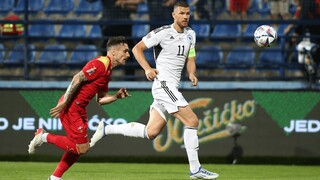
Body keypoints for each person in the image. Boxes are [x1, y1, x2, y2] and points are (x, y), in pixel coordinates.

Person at [90, 2, 219, 179]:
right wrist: (147, 69)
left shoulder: (191, 34)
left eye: (188, 13)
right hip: (163, 85)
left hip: (172, 86)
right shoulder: (163, 32)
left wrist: (191, 73)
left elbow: (191, 58)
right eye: (182, 13)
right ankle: (195, 169)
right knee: (192, 121)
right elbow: (137, 49)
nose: (185, 16)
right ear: (173, 15)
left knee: (151, 132)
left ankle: (106, 129)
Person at [27, 36, 131, 180]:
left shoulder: (107, 71)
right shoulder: (99, 64)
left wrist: (115, 97)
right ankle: (43, 136)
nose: (128, 55)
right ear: (113, 52)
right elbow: (77, 78)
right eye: (125, 51)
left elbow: (100, 99)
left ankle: (55, 178)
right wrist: (65, 102)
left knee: (77, 148)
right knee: (83, 148)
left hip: (79, 109)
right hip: (70, 107)